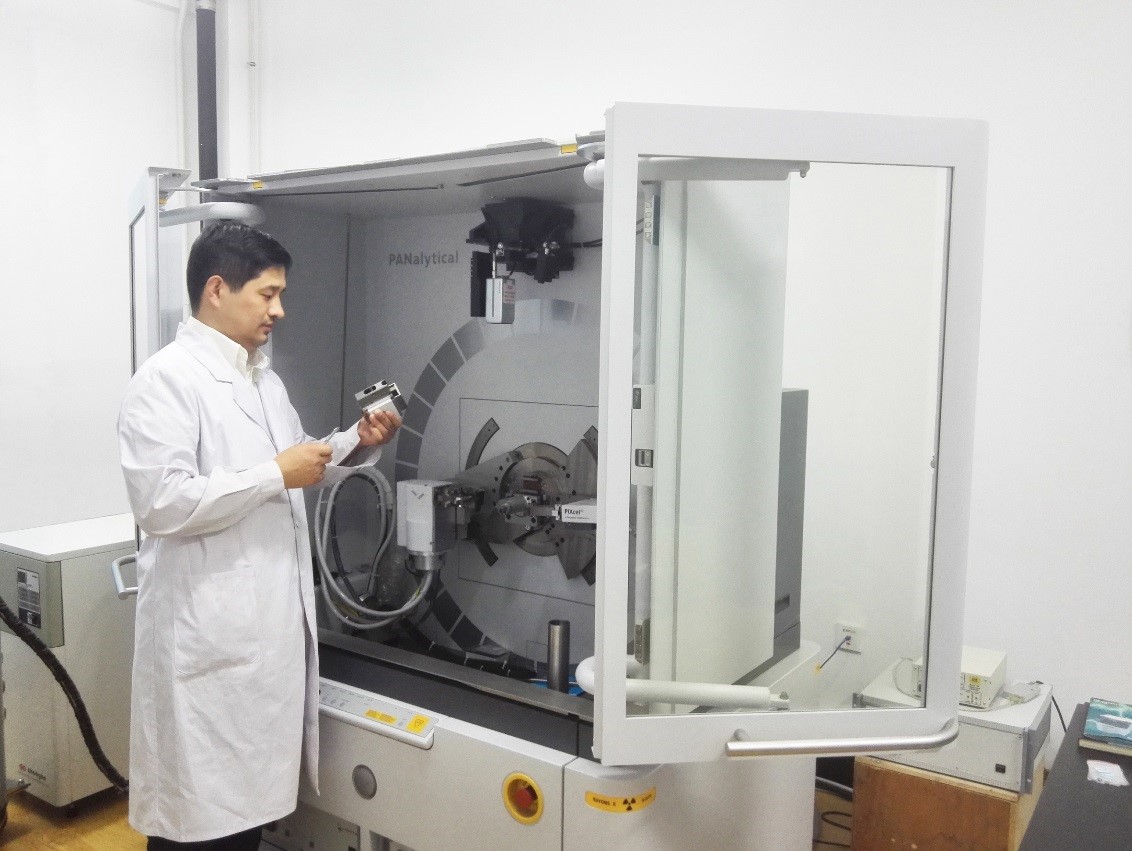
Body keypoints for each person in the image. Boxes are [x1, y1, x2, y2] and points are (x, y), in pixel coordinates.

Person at [117, 220, 401, 849]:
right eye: (267, 294)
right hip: (205, 641)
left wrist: (354, 442)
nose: (279, 310)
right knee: (197, 829)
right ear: (217, 289)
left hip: (260, 641)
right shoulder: (166, 380)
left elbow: (294, 462)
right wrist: (276, 473)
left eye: (280, 295)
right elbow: (161, 502)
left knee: (242, 826)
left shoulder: (262, 379)